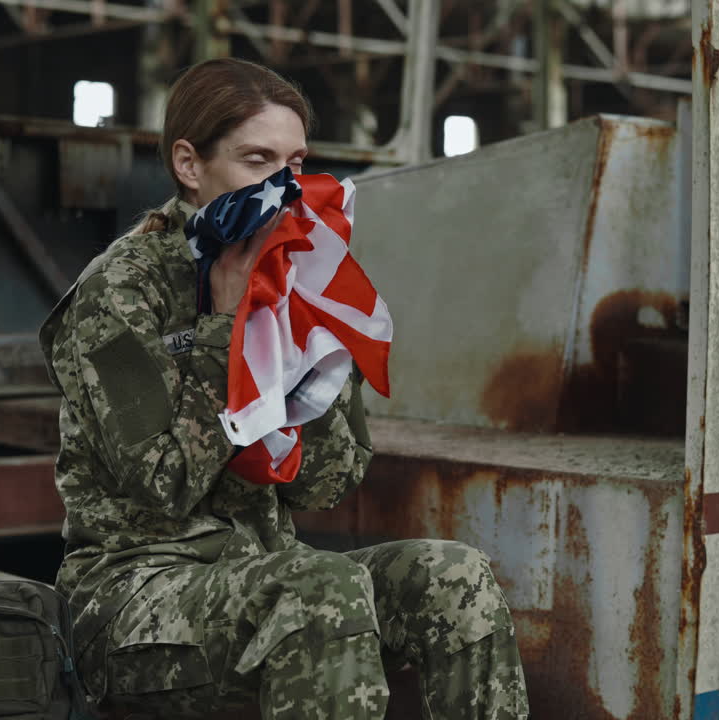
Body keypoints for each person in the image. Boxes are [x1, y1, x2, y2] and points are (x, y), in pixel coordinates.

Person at [38, 57, 528, 720]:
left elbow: (326, 484)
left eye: (295, 164)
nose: (285, 188)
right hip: (132, 596)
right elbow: (162, 484)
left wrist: (299, 345)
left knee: (455, 576)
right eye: (257, 161)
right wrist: (224, 326)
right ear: (189, 165)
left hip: (264, 571)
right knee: (318, 588)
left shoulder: (296, 277)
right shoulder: (120, 290)